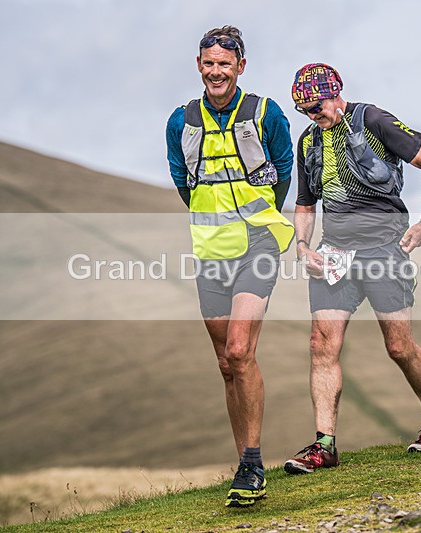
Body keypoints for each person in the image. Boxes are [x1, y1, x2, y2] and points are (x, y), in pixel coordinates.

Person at [284, 63, 421, 475]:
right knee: (322, 344)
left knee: (399, 346)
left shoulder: (372, 119)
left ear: (336, 92)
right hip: (335, 253)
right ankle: (324, 446)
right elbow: (306, 204)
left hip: (383, 250)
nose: (312, 115)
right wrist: (303, 246)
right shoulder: (309, 142)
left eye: (317, 106)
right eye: (304, 110)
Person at [165, 25, 294, 507]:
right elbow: (182, 180)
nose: (216, 71)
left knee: (240, 351)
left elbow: (283, 168)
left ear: (241, 66)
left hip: (258, 244)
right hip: (211, 249)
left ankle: (255, 464)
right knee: (225, 365)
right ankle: (244, 464)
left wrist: (263, 215)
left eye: (225, 63)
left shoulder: (265, 112)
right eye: (208, 63)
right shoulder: (181, 120)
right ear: (199, 66)